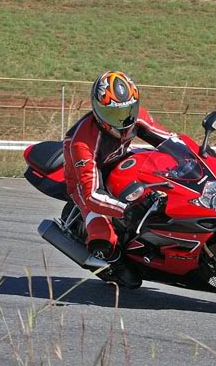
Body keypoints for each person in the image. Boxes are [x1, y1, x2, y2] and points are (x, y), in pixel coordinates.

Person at [62, 71, 172, 288]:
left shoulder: (135, 116)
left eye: (127, 110)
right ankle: (114, 264)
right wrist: (126, 210)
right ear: (97, 110)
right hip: (86, 181)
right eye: (113, 114)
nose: (122, 120)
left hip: (118, 162)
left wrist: (198, 153)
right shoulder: (81, 143)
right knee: (102, 235)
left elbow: (169, 140)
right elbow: (92, 194)